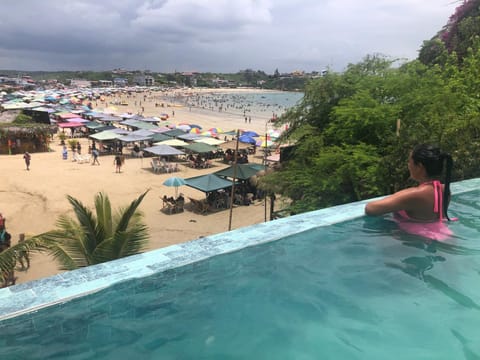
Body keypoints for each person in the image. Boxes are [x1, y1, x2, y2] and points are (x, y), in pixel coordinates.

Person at [365, 144, 454, 241]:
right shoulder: (445, 190)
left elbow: (370, 209)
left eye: (409, 161)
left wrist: (398, 195)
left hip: (418, 240)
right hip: (445, 235)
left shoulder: (414, 195)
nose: (408, 165)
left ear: (419, 166)